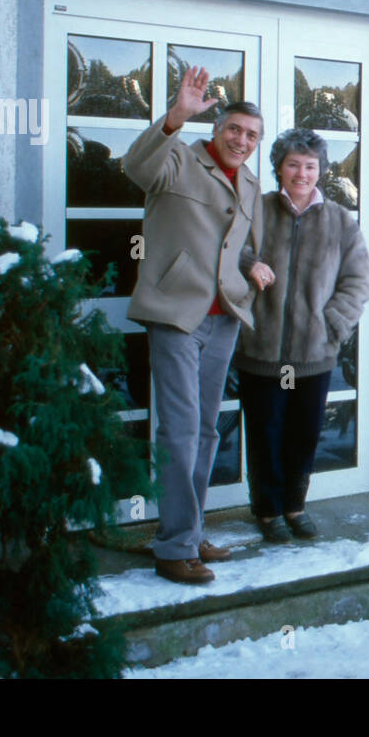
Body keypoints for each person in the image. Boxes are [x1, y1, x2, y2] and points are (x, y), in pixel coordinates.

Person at [122, 67, 277, 584]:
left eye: (252, 135)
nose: (242, 140)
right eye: (235, 129)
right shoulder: (179, 160)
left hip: (223, 317)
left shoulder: (251, 184)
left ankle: (187, 531)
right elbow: (136, 167)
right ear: (216, 128)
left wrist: (251, 263)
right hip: (175, 314)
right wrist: (176, 116)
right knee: (182, 429)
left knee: (206, 430)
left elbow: (231, 245)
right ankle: (172, 547)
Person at [235, 129, 369, 542]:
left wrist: (332, 322)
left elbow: (359, 280)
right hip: (261, 348)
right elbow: (229, 253)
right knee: (264, 432)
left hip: (313, 353)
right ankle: (266, 510)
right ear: (279, 167)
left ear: (321, 172)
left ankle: (295, 505)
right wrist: (248, 268)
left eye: (310, 166)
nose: (301, 173)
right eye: (293, 164)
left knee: (304, 432)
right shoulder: (256, 210)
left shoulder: (338, 219)